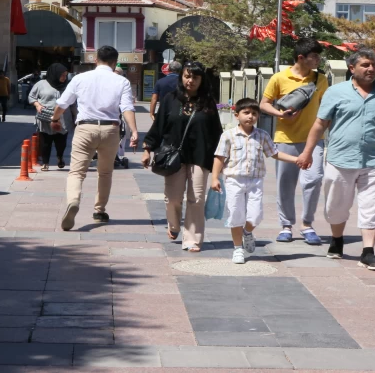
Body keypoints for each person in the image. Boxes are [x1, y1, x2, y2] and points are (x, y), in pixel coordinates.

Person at [296, 48, 375, 271]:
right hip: (340, 160)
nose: (370, 69)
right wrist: (307, 152)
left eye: (373, 65)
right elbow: (320, 124)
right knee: (336, 207)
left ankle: (368, 252)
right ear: (352, 68)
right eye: (365, 65)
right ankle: (337, 239)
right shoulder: (335, 92)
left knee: (372, 207)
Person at [50, 46, 139, 231]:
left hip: (85, 128)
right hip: (110, 130)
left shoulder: (80, 79)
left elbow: (62, 103)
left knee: (76, 172)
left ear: (96, 60)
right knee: (105, 172)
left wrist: (55, 119)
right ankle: (99, 210)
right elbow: (127, 107)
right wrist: (134, 131)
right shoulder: (121, 81)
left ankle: (73, 200)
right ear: (115, 62)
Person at [142, 61, 223, 252]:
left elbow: (215, 132)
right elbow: (159, 125)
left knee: (196, 199)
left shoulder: (208, 102)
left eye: (195, 77)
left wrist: (220, 159)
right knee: (173, 198)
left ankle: (192, 240)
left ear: (202, 80)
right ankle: (174, 225)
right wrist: (147, 148)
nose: (190, 80)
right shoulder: (171, 99)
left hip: (200, 156)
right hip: (173, 156)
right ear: (181, 77)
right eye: (187, 76)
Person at [211, 98, 298, 264]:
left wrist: (296, 159)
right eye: (246, 113)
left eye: (254, 113)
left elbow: (274, 153)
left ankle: (247, 232)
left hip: (255, 181)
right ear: (236, 115)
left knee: (256, 215)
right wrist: (215, 177)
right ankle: (238, 249)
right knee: (236, 214)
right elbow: (220, 157)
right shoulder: (228, 136)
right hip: (234, 180)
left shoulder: (262, 135)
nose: (250, 116)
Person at [260, 38, 329, 245]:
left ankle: (307, 224)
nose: (318, 60)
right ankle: (286, 225)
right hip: (285, 138)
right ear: (301, 57)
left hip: (314, 140)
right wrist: (280, 115)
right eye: (314, 57)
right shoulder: (279, 78)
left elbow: (325, 107)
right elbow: (264, 104)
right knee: (285, 184)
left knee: (314, 179)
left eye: (318, 56)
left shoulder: (321, 80)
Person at [29, 63, 73, 171]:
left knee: (61, 142)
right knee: (45, 141)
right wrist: (37, 105)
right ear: (55, 74)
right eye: (62, 75)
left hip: (63, 118)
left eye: (65, 75)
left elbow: (73, 101)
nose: (64, 77)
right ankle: (45, 163)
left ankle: (60, 156)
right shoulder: (41, 84)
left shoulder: (68, 86)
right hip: (46, 117)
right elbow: (31, 96)